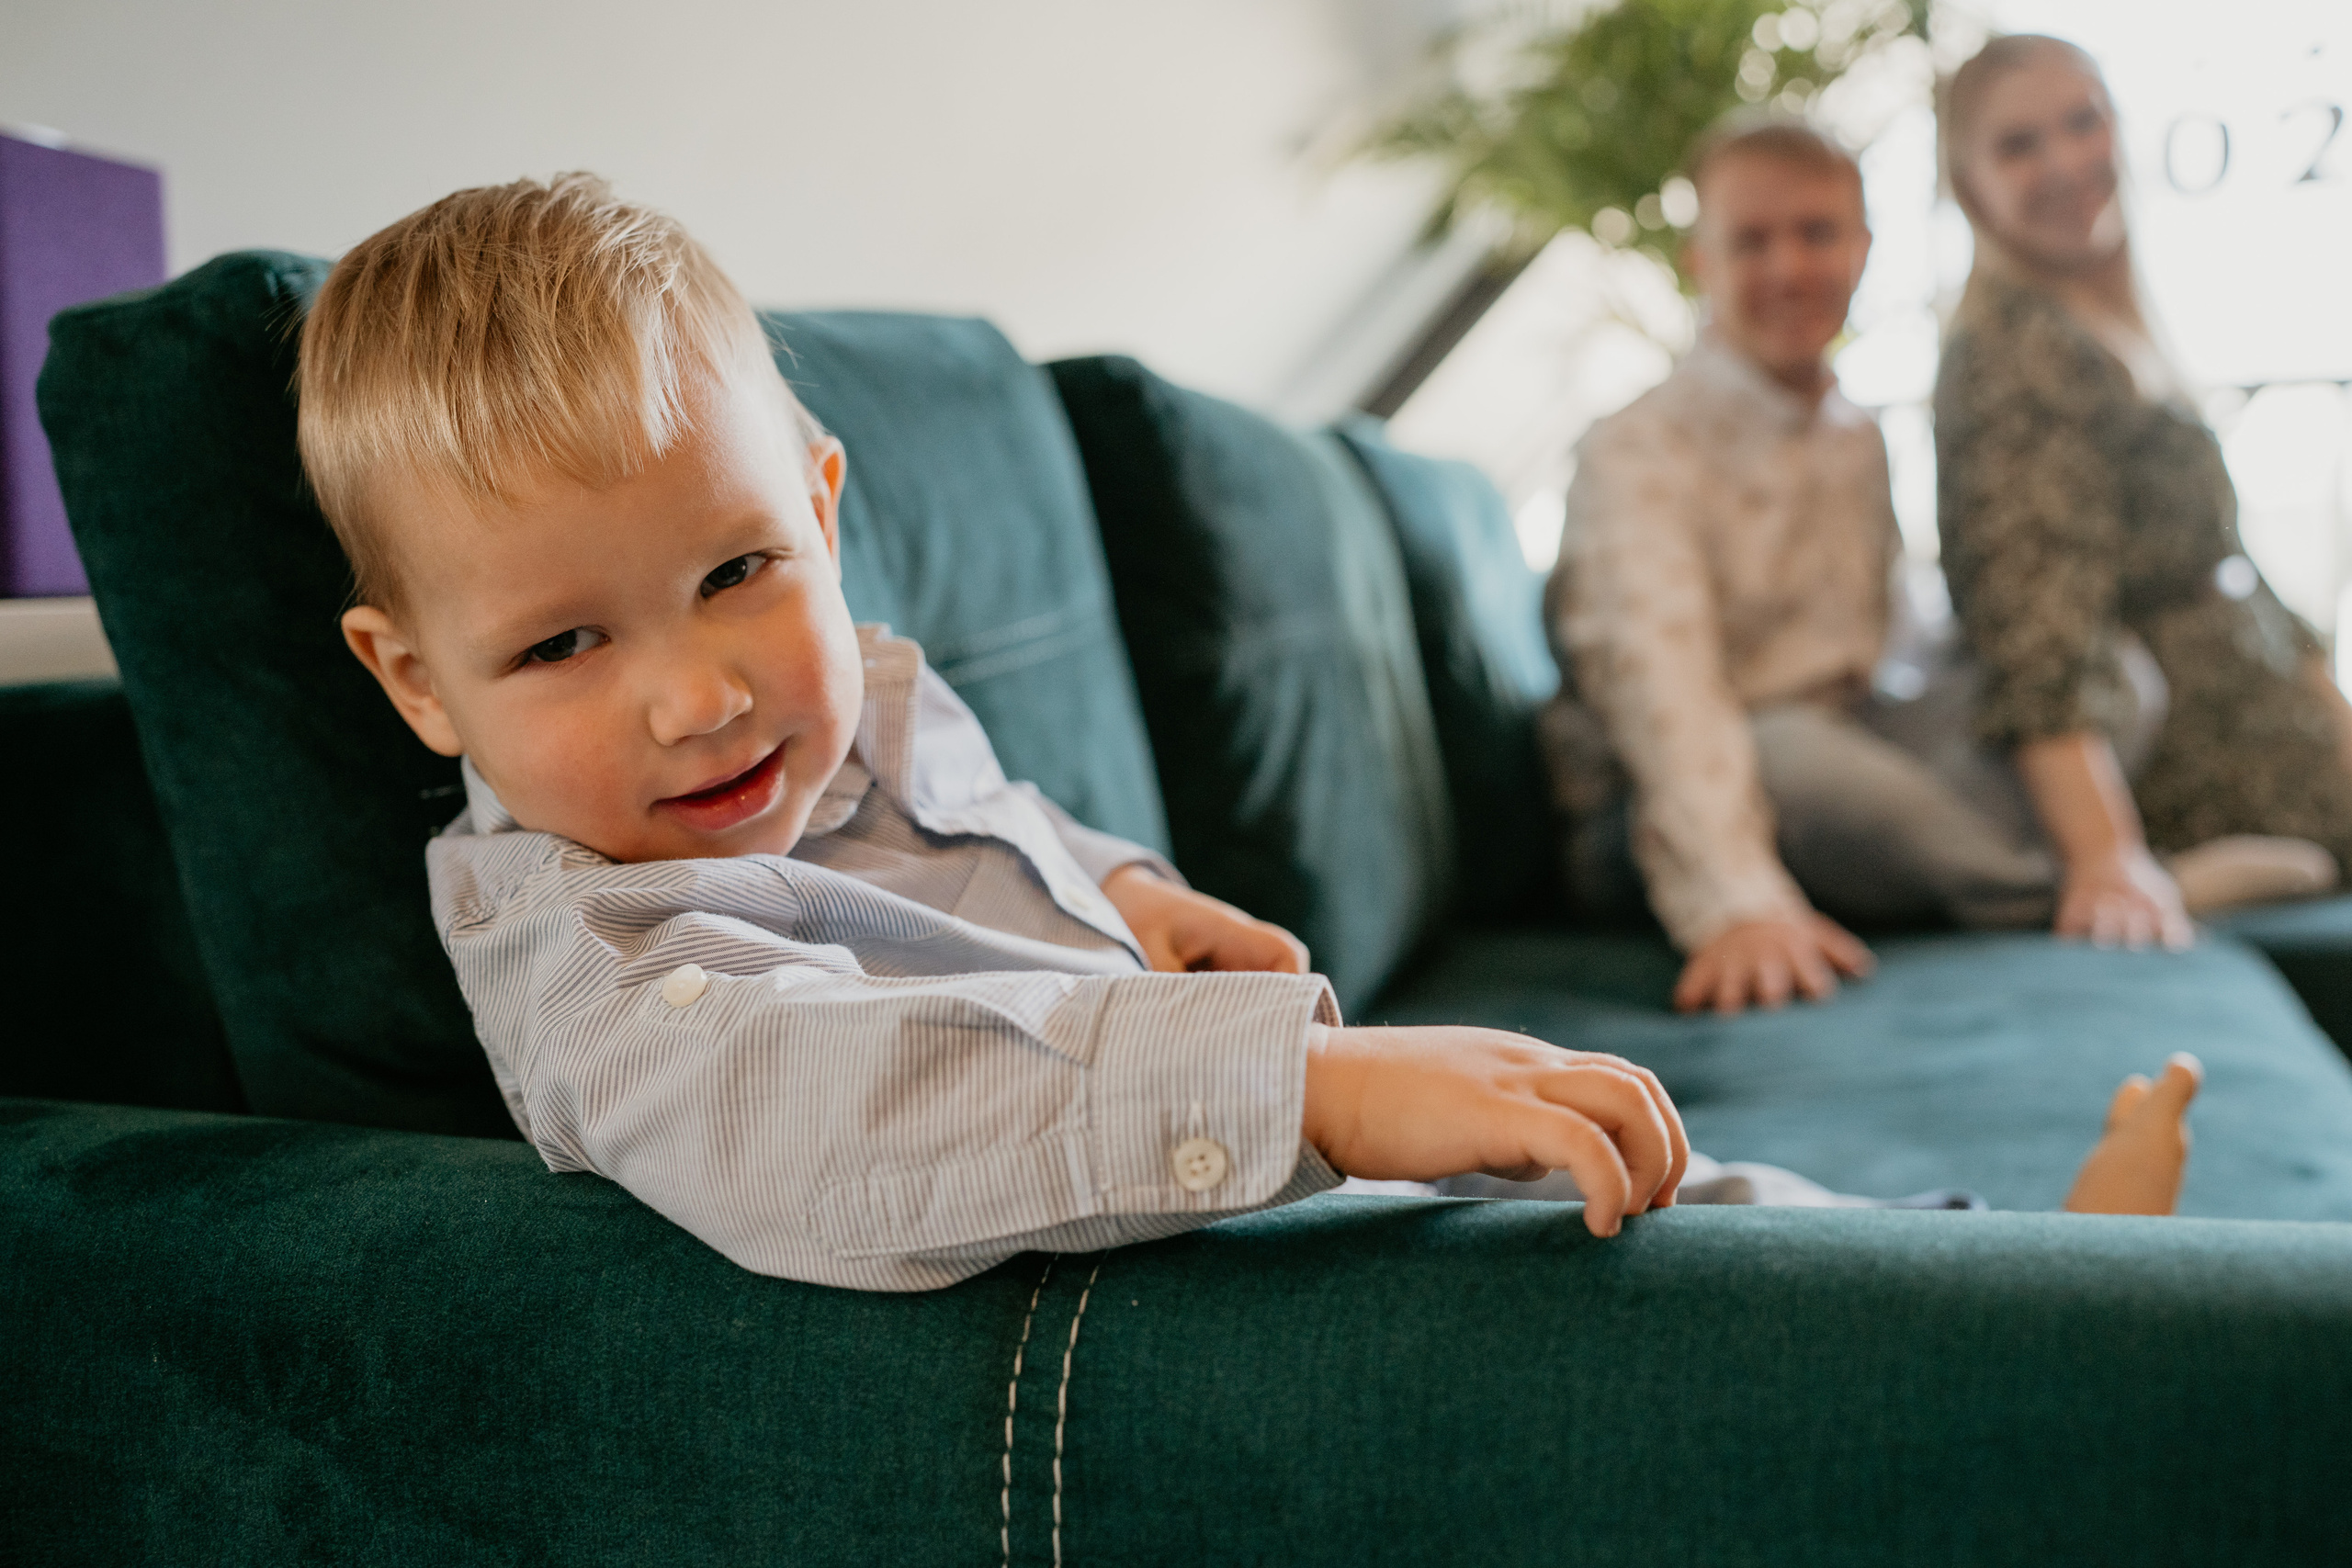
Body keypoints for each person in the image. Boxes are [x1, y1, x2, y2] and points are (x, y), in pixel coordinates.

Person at [302, 176, 2195, 1290]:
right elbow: (823, 1113)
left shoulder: (851, 707)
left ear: (821, 505)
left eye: (737, 570)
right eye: (561, 641)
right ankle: (1991, 1335)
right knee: (1577, 1241)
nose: (699, 691)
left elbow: (1001, 823)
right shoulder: (602, 964)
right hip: (1163, 1245)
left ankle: (1985, 1273)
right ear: (414, 681)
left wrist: (1134, 890)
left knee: (1649, 1166)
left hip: (1238, 1142)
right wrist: (1306, 1086)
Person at [1546, 117, 2064, 1017]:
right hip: (1674, 791)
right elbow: (1663, 693)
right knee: (1800, 759)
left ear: (1861, 250)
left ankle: (2056, 853)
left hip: (1850, 728)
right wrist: (1738, 903)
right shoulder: (1636, 448)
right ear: (1700, 262)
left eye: (1817, 233)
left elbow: (1895, 643)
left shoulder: (1857, 436)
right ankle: (2048, 894)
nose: (1788, 268)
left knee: (2088, 683)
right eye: (1751, 241)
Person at [1934, 35, 2346, 953]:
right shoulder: (2015, 351)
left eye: (2082, 122)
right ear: (1969, 187)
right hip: (2193, 755)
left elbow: (2238, 575)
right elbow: (2036, 628)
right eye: (2019, 145)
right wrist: (2106, 856)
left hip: (2261, 708)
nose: (2064, 162)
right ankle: (2195, 869)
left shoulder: (2107, 320)